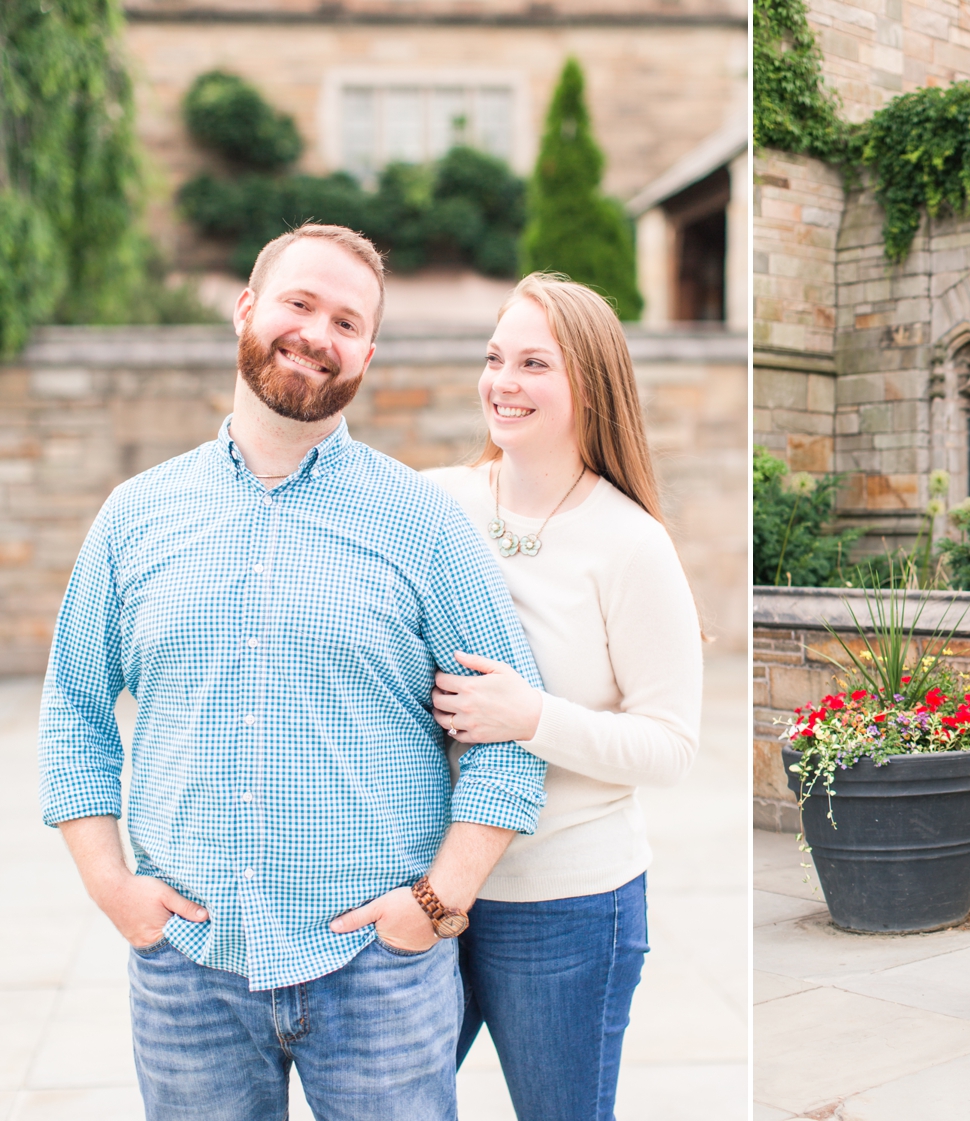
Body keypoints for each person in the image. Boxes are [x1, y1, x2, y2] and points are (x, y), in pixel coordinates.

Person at [38, 223, 547, 1121]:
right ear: (247, 308)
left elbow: (510, 733)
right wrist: (112, 888)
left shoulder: (420, 525)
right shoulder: (135, 516)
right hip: (188, 972)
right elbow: (74, 711)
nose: (318, 332)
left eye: (347, 321)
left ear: (368, 354)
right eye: (299, 303)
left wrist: (433, 902)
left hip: (377, 976)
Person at [424, 273, 702, 1121]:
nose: (503, 382)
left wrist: (531, 718)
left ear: (589, 384)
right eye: (495, 357)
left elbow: (670, 745)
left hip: (567, 907)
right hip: (428, 887)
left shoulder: (630, 543)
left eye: (534, 363)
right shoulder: (437, 502)